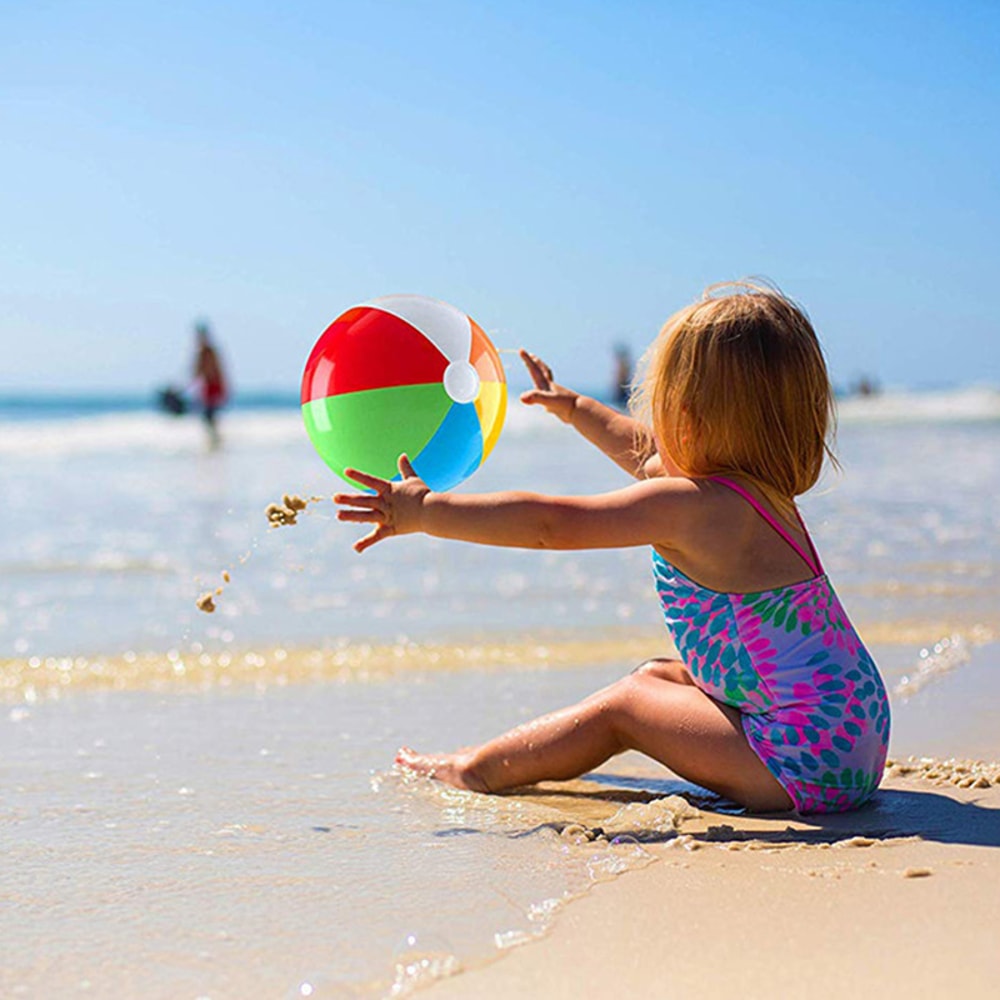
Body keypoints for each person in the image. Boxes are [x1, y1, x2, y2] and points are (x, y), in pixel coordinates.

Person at [332, 282, 890, 815]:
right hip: (849, 735)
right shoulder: (756, 495)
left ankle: (474, 769)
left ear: (688, 420)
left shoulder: (696, 508)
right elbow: (643, 452)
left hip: (802, 762)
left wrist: (426, 512)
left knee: (626, 707)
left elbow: (552, 524)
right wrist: (574, 408)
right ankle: (504, 760)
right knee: (656, 677)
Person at [192, 322, 228, 447]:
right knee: (208, 415)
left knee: (209, 415)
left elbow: (212, 370)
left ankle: (216, 440)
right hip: (208, 387)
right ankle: (215, 440)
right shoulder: (204, 352)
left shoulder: (208, 351)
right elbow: (197, 372)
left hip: (213, 386)